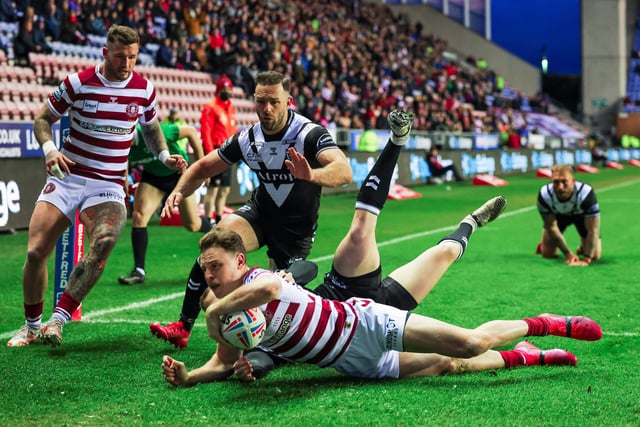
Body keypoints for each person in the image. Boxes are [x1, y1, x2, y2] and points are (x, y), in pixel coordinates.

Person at [161, 111, 602, 386]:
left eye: (214, 267)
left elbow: (279, 287)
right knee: (449, 366)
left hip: (366, 323)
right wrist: (191, 376)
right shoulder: (233, 311)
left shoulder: (261, 281)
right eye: (206, 270)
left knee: (468, 343)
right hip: (354, 363)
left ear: (241, 261)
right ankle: (529, 358)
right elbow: (225, 360)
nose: (209, 276)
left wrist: (215, 313)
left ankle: (542, 325)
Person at [7, 25, 187, 348]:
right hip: (68, 175)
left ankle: (58, 320)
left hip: (108, 182)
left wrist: (163, 154)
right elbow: (41, 120)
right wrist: (50, 151)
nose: (127, 64)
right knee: (35, 251)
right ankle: (31, 326)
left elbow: (151, 128)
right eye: (120, 57)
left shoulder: (143, 89)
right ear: (105, 53)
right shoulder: (78, 83)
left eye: (132, 57)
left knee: (103, 241)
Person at [149, 70, 352, 348]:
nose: (266, 109)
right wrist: (178, 191)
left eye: (274, 102)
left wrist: (311, 176)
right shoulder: (247, 139)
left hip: (295, 231)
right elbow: (203, 167)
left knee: (276, 305)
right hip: (260, 215)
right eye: (260, 101)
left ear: (288, 101)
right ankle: (183, 327)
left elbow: (344, 170)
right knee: (215, 244)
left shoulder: (308, 134)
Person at [118, 123, 210, 285]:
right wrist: (124, 180)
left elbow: (191, 132)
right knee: (139, 216)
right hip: (153, 178)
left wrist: (202, 166)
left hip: (179, 175)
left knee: (192, 224)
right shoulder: (121, 143)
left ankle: (215, 229)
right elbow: (122, 158)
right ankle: (139, 271)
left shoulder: (159, 132)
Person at [535, 164, 602, 266]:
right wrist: (568, 253)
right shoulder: (545, 195)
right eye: (556, 182)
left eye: (564, 182)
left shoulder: (586, 193)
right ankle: (544, 244)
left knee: (595, 256)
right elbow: (551, 226)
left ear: (573, 181)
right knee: (548, 254)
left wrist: (586, 259)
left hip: (581, 217)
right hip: (558, 218)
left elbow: (593, 229)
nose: (560, 187)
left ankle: (583, 247)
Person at [200, 74, 238, 227]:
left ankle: (219, 219)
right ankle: (208, 221)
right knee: (213, 189)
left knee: (225, 190)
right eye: (225, 88)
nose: (227, 91)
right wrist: (209, 153)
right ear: (218, 90)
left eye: (229, 89)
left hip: (229, 152)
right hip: (216, 152)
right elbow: (206, 132)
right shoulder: (210, 108)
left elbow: (233, 129)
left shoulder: (230, 108)